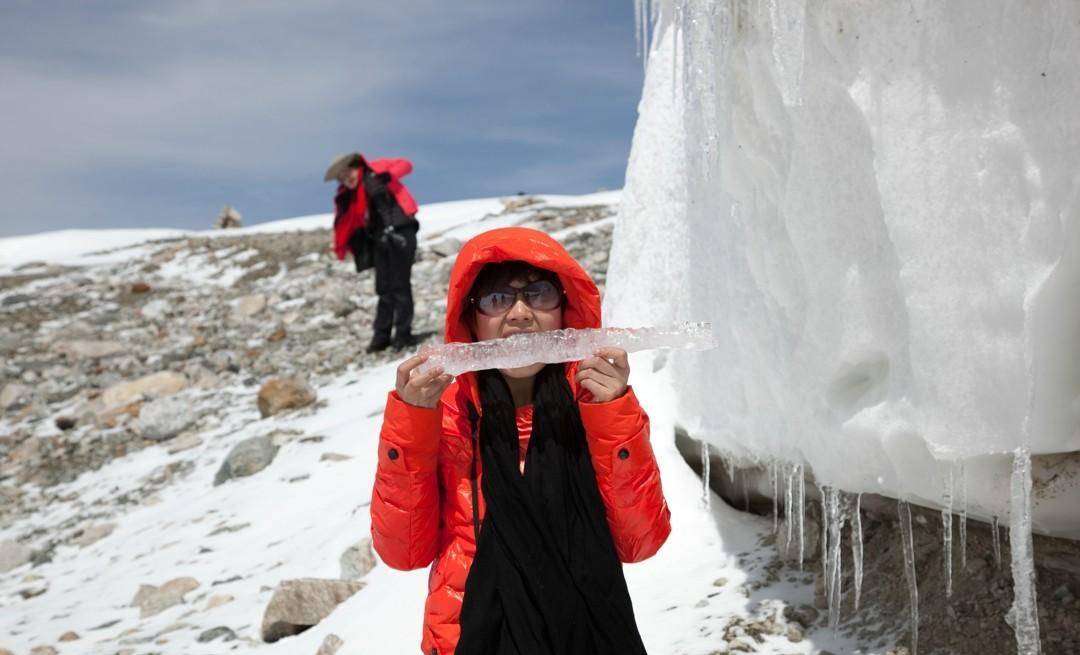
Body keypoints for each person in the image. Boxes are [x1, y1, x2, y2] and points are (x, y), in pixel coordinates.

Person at [370, 227, 671, 654]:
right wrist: (411, 424)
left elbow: (641, 542)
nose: (519, 314)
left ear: (566, 310)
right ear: (470, 320)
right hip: (469, 638)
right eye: (496, 299)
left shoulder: (595, 405)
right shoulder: (446, 416)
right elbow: (403, 553)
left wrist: (614, 413)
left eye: (539, 294)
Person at [326, 152, 421, 352]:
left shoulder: (375, 170)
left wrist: (387, 175)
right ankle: (381, 336)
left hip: (401, 231)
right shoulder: (348, 196)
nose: (346, 179)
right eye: (341, 177)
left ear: (356, 167)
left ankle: (403, 334)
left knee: (400, 285)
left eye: (348, 173)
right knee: (383, 288)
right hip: (379, 239)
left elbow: (406, 164)